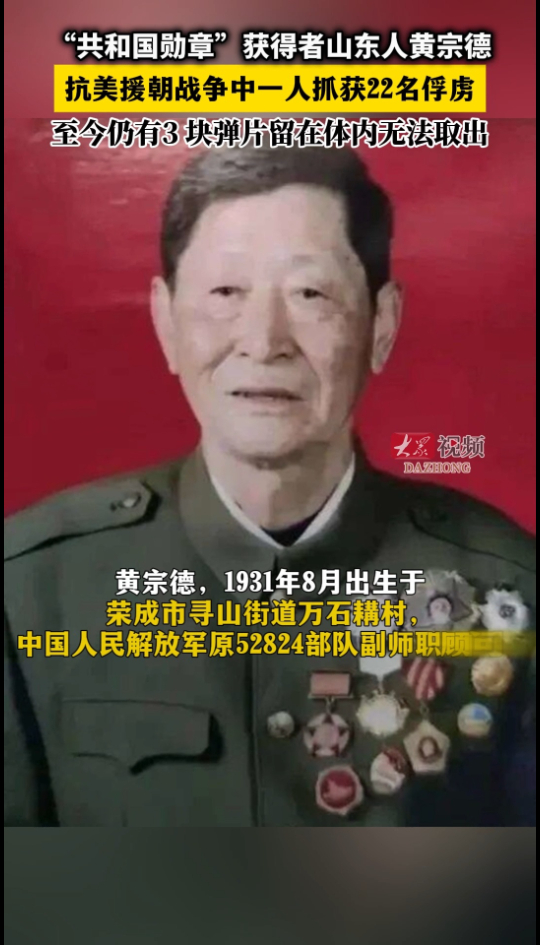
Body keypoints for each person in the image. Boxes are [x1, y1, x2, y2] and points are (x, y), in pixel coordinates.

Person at [4, 144, 535, 826]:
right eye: (226, 293)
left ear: (382, 324)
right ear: (166, 322)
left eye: (311, 294)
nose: (263, 341)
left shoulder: (508, 588)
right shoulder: (30, 592)